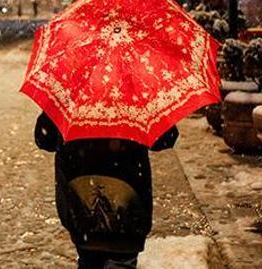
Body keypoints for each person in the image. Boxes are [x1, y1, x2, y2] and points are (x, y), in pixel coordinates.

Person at [34, 112, 179, 268]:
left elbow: (44, 139)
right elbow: (167, 138)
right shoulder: (134, 102)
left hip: (82, 208)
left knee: (90, 260)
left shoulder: (70, 100)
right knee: (121, 261)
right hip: (127, 210)